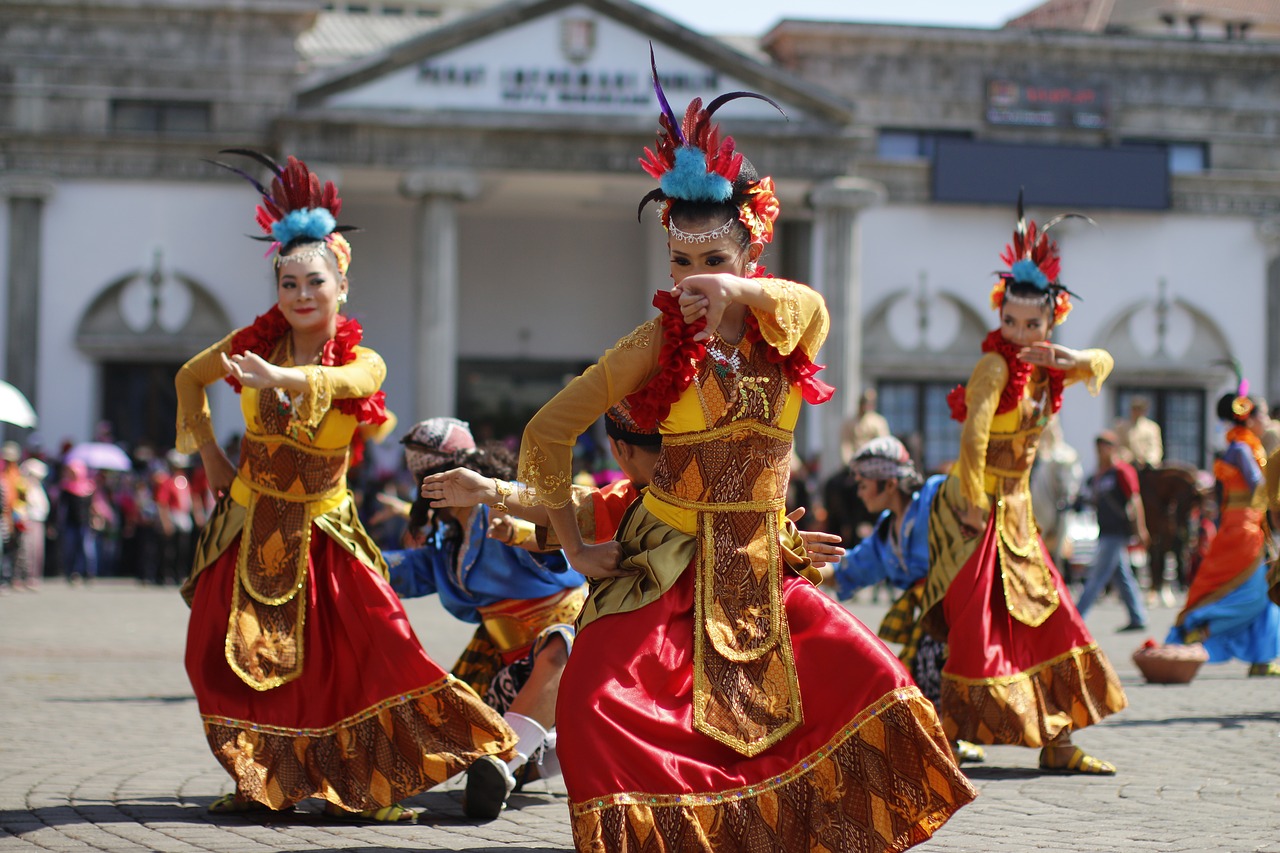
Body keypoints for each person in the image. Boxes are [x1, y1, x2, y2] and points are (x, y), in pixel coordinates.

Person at [505, 66, 976, 852]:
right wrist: (577, 543)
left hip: (758, 567)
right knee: (595, 706)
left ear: (751, 253)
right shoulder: (653, 344)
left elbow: (813, 307)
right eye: (681, 265)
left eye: (714, 260)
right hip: (663, 562)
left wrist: (740, 294)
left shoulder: (785, 330)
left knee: (878, 687)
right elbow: (548, 431)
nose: (695, 283)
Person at [175, 150, 514, 821]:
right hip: (248, 526)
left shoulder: (364, 358)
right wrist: (211, 453)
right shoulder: (254, 343)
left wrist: (285, 382)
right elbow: (189, 376)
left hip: (324, 532)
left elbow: (349, 386)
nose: (301, 295)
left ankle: (429, 766)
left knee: (378, 650)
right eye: (289, 282)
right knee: (219, 651)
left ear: (341, 286)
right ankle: (264, 781)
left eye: (315, 282)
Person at [926, 194, 1127, 774]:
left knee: (1054, 618)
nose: (1018, 332)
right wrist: (971, 503)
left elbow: (1103, 363)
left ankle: (1058, 741)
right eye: (1010, 322)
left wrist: (1068, 355)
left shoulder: (1048, 367)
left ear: (1051, 319)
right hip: (983, 512)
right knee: (978, 629)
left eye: (1032, 323)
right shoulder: (993, 368)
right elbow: (974, 439)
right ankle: (946, 733)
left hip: (1021, 513)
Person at [382, 417, 585, 820]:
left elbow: (552, 536)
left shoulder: (500, 511)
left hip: (575, 642)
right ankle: (547, 752)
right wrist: (348, 554)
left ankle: (505, 765)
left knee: (558, 647)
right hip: (505, 657)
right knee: (446, 727)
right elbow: (407, 570)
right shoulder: (449, 541)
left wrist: (519, 533)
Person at [825, 436, 985, 764]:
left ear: (889, 482)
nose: (859, 491)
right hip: (929, 619)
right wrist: (792, 564)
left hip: (963, 609)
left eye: (864, 483)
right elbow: (848, 569)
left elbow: (972, 492)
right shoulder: (886, 532)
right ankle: (948, 736)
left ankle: (952, 738)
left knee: (933, 665)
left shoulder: (935, 496)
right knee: (906, 679)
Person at [1166, 390, 1280, 676]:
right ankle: (1201, 630)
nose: (1266, 420)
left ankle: (1263, 658)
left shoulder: (1241, 446)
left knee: (1267, 590)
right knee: (1257, 594)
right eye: (1263, 414)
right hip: (1245, 531)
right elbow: (1257, 486)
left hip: (1247, 525)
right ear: (1249, 417)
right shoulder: (1243, 449)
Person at [1075, 431, 1149, 631]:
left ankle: (1076, 616)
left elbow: (1135, 499)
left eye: (1104, 447)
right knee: (1121, 576)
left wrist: (1140, 528)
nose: (1100, 452)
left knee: (1097, 576)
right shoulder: (1099, 475)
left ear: (1113, 448)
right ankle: (1138, 616)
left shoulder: (1121, 472)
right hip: (1104, 529)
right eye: (1098, 448)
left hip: (1117, 531)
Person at [16, 458, 49, 590]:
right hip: (28, 521)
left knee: (37, 550)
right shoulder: (23, 485)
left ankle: (33, 576)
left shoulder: (39, 488)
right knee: (26, 550)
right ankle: (22, 577)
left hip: (39, 521)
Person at [839, 387, 891, 466]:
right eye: (864, 403)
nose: (866, 406)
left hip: (874, 462)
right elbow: (846, 445)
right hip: (855, 462)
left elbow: (883, 443)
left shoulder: (878, 422)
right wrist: (849, 462)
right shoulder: (850, 423)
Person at [1114, 395, 1162, 469]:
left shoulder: (1152, 427)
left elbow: (1155, 447)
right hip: (1128, 464)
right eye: (1135, 409)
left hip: (1147, 466)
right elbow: (1119, 446)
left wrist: (1149, 460)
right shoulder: (1122, 426)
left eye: (1140, 409)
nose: (1137, 412)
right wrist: (1129, 458)